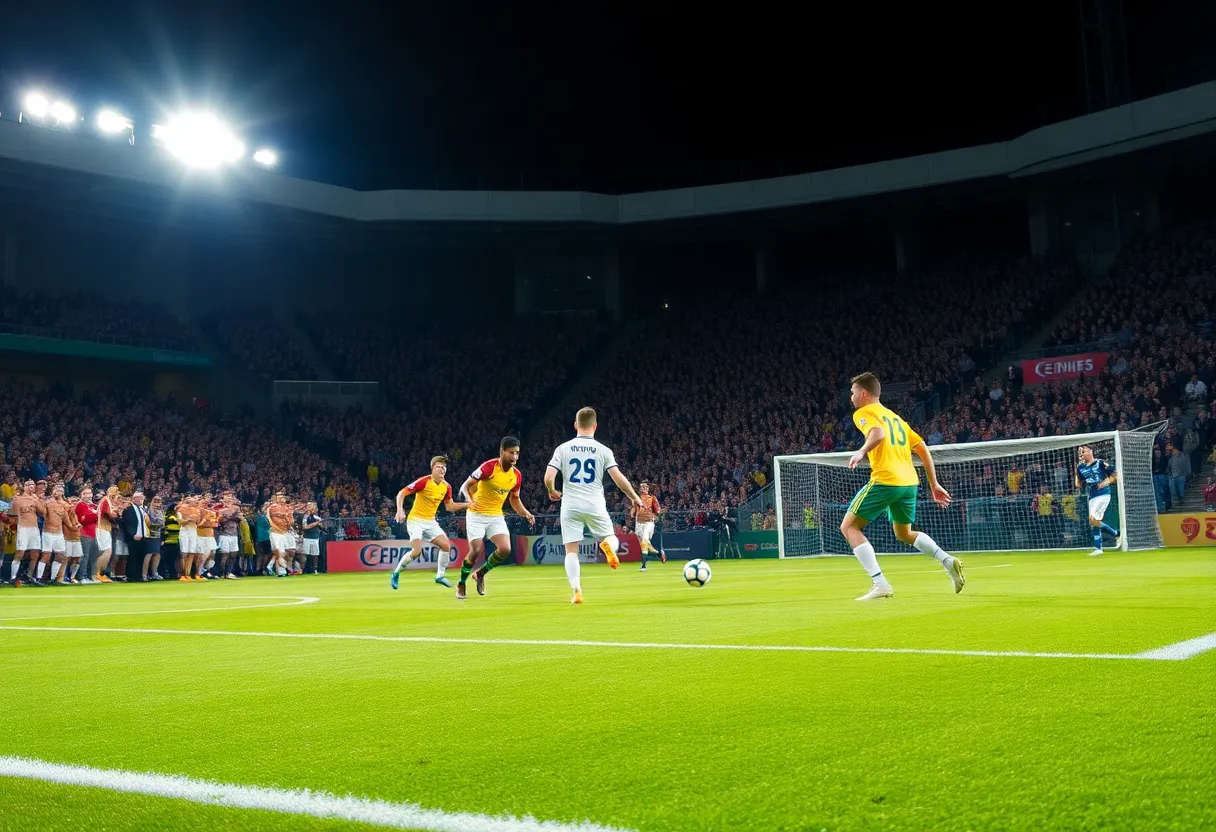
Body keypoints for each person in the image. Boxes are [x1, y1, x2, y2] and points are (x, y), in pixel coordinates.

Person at [840, 373, 964, 600]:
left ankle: (880, 583)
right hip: (909, 483)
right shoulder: (896, 418)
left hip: (886, 480)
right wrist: (933, 483)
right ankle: (948, 560)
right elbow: (922, 447)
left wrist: (861, 451)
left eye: (853, 392)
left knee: (849, 528)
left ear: (864, 393)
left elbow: (877, 434)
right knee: (904, 533)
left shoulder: (864, 412)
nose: (852, 397)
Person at [543, 407, 645, 604]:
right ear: (595, 426)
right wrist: (634, 497)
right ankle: (607, 546)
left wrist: (551, 490)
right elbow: (619, 479)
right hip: (595, 503)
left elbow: (548, 477)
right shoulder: (603, 450)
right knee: (610, 537)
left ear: (575, 425)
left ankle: (577, 591)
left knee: (571, 551)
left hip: (570, 504)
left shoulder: (563, 448)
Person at [456, 437, 535, 600]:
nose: (514, 457)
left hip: (495, 515)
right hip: (476, 513)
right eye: (511, 452)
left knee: (505, 549)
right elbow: (466, 485)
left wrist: (526, 513)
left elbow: (514, 499)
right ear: (502, 451)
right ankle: (461, 583)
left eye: (517, 453)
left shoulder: (516, 476)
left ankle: (480, 573)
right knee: (476, 549)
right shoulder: (489, 467)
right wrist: (468, 499)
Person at [390, 456, 469, 591]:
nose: (441, 469)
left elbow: (450, 506)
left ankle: (440, 576)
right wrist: (399, 510)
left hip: (431, 522)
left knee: (446, 545)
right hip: (415, 520)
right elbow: (401, 493)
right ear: (432, 468)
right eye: (438, 466)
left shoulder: (446, 487)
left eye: (443, 467)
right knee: (416, 551)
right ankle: (395, 573)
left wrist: (467, 505)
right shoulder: (424, 482)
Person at [1075, 445, 1121, 556]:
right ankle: (1100, 546)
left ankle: (1114, 533)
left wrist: (1105, 482)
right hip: (1092, 496)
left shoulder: (1100, 463)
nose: (1081, 453)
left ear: (1090, 451)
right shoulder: (1080, 468)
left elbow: (1115, 475)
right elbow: (1078, 485)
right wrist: (1076, 474)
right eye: (1079, 452)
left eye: (1083, 451)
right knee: (1093, 522)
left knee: (1092, 519)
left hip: (1103, 494)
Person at [10, 480, 46, 586]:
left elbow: (43, 512)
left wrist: (38, 500)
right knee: (20, 553)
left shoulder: (35, 499)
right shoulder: (18, 499)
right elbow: (13, 516)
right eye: (30, 485)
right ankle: (13, 578)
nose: (32, 487)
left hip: (34, 529)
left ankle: (30, 576)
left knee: (35, 554)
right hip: (23, 528)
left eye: (33, 486)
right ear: (25, 487)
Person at [631, 481, 665, 571]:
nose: (644, 489)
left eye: (645, 487)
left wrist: (659, 514)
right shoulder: (636, 499)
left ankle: (643, 566)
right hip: (638, 523)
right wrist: (632, 512)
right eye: (642, 487)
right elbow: (634, 510)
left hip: (648, 523)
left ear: (648, 489)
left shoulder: (652, 498)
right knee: (644, 546)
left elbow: (658, 510)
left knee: (645, 542)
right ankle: (658, 554)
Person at [41, 484, 70, 584]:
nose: (57, 492)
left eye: (59, 490)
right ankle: (38, 578)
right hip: (48, 532)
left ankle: (53, 579)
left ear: (62, 493)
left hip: (59, 533)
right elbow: (43, 514)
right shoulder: (47, 502)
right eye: (55, 490)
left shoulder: (64, 505)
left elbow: (66, 519)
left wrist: (73, 525)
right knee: (46, 555)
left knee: (61, 555)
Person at [121, 491, 150, 582]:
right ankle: (130, 576)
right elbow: (126, 523)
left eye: (142, 497)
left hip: (143, 536)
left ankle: (138, 576)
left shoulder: (142, 509)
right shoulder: (129, 509)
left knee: (141, 557)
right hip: (134, 537)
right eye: (139, 497)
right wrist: (132, 534)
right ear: (134, 499)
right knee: (132, 557)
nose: (141, 499)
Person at [73, 487, 100, 584]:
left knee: (93, 556)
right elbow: (83, 520)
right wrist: (94, 515)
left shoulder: (93, 506)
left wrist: (92, 515)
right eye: (85, 493)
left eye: (89, 493)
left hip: (93, 533)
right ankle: (81, 577)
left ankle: (90, 576)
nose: (88, 495)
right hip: (84, 533)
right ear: (81, 495)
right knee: (85, 556)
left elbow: (92, 518)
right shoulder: (80, 505)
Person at [144, 495, 165, 581]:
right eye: (155, 500)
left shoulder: (161, 511)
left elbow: (163, 524)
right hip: (150, 534)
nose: (157, 502)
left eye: (159, 501)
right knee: (149, 553)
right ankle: (144, 574)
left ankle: (154, 573)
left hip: (158, 535)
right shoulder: (147, 510)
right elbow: (151, 521)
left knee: (157, 554)